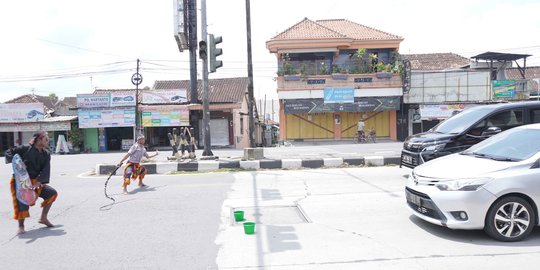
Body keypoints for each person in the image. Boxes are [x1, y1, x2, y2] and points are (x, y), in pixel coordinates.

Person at [5, 131, 58, 234]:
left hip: (35, 181)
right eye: (46, 139)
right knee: (22, 203)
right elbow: (9, 152)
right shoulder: (25, 148)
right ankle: (21, 226)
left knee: (52, 193)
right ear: (39, 140)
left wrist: (39, 182)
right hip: (21, 181)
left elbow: (46, 169)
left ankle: (43, 218)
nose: (48, 141)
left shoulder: (46, 154)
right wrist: (18, 163)